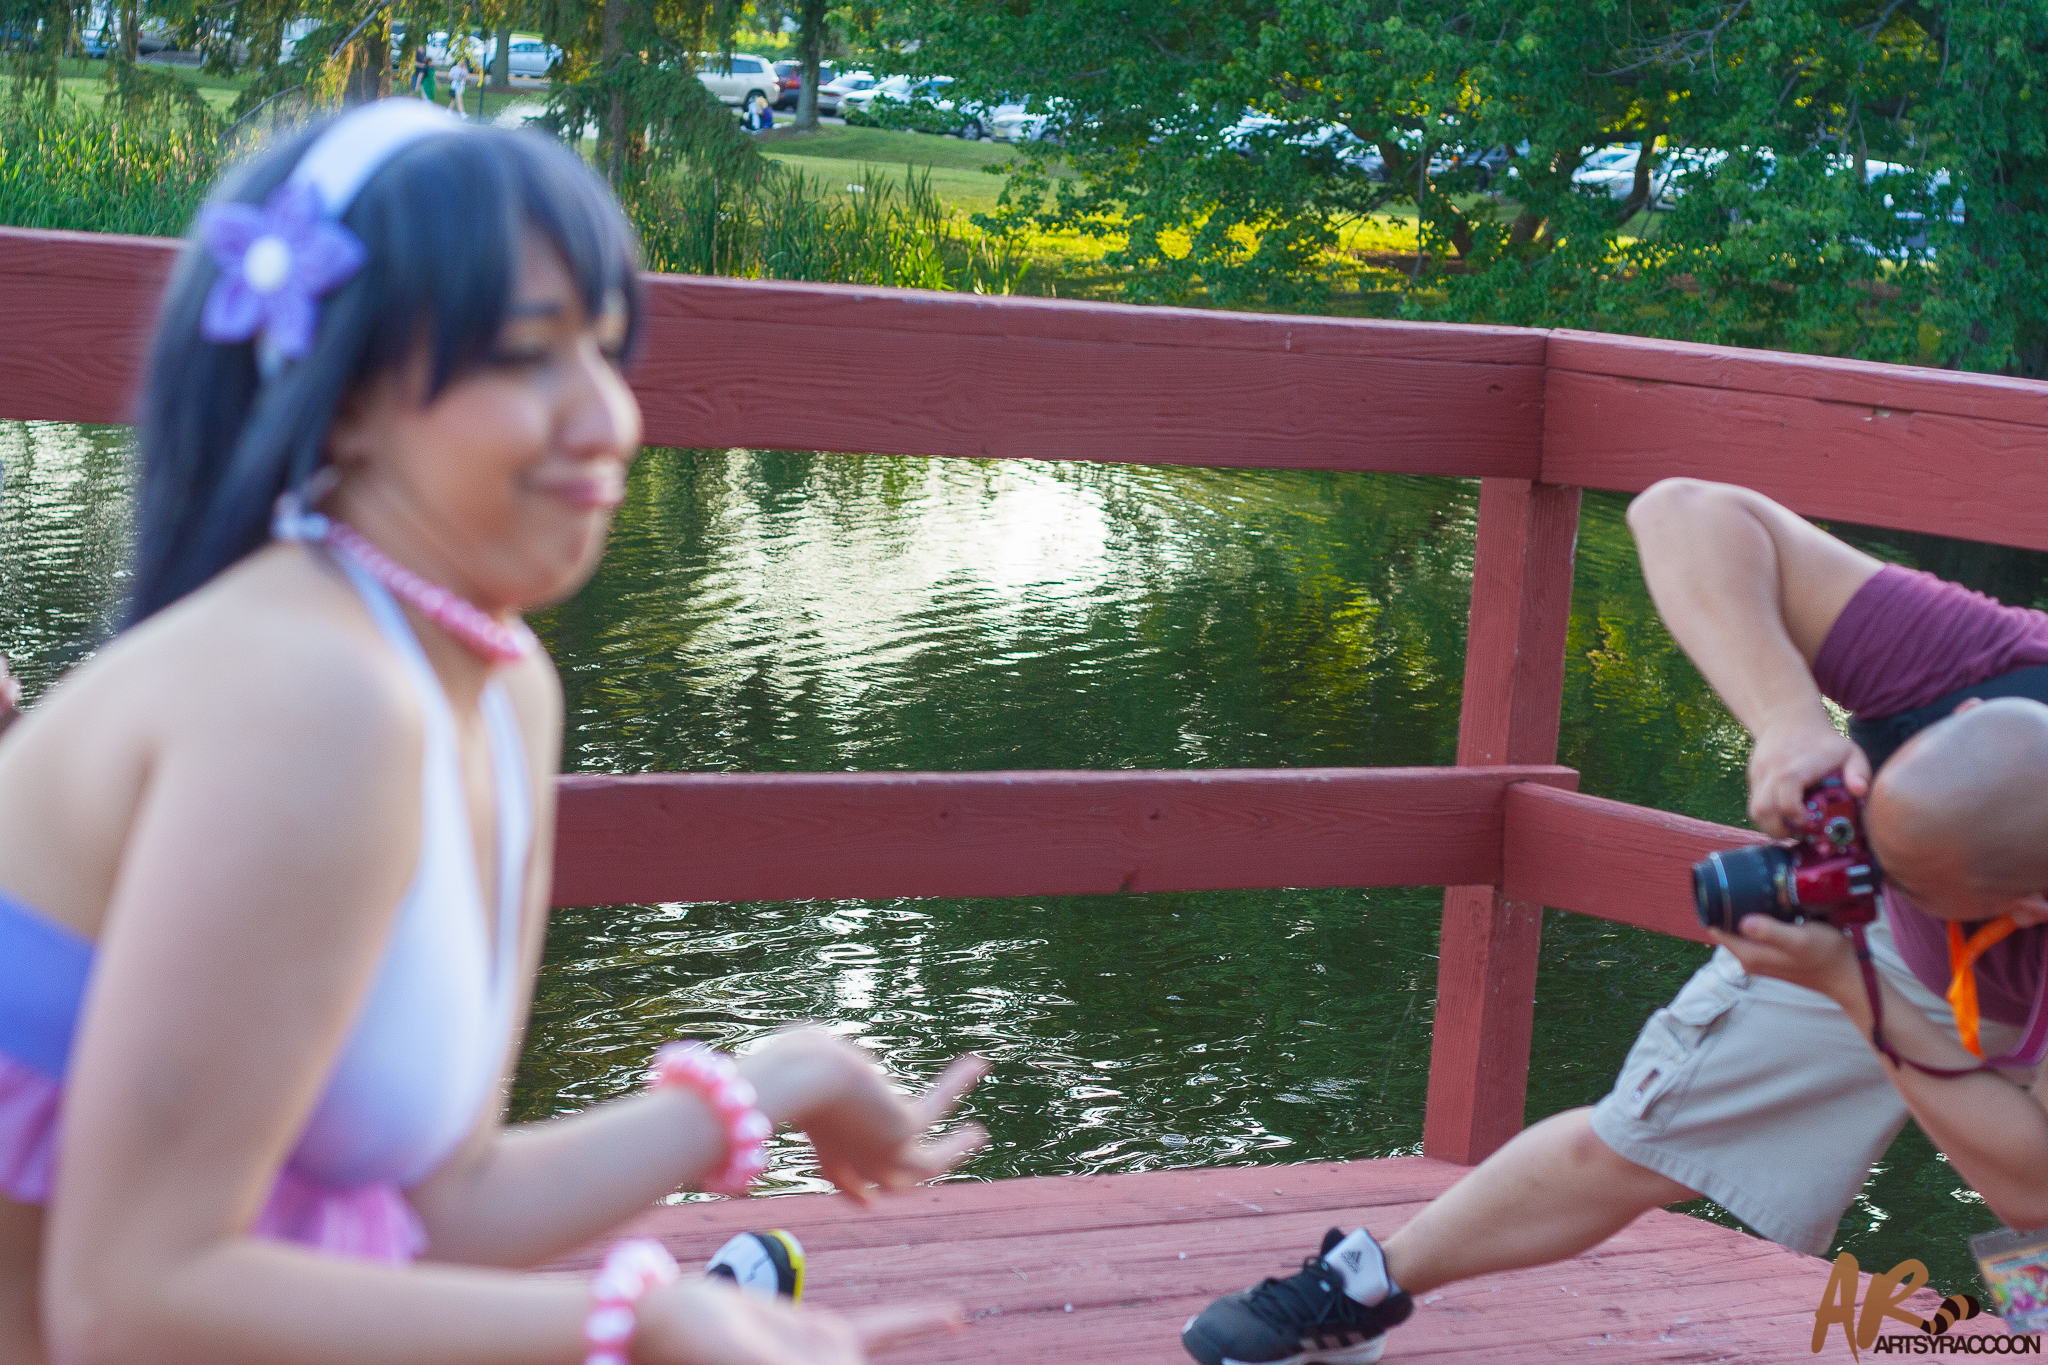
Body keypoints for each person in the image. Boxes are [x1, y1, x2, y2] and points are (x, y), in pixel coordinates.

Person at [0, 99, 988, 1365]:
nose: (606, 417)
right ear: (342, 396)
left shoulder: (500, 684)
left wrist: (779, 1076)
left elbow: (437, 1209)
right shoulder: (308, 693)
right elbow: (131, 1304)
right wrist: (641, 1323)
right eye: (525, 355)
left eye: (605, 350)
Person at [1183, 477, 2048, 1365]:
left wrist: (1847, 983)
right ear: (1965, 713)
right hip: (1895, 930)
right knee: (1641, 1131)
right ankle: (1366, 1287)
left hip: (1932, 954)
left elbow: (2034, 1188)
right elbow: (1682, 510)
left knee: (2041, 1253)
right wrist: (1789, 722)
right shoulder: (1977, 659)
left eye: (1895, 870)